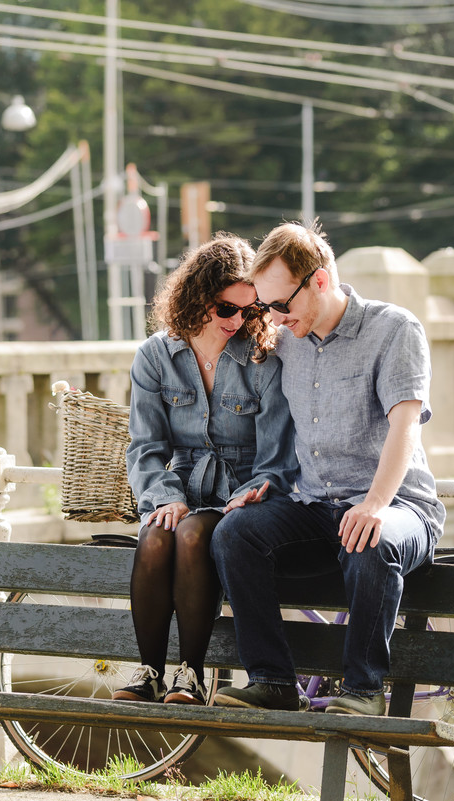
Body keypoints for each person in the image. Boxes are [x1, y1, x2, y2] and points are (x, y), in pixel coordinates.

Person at [210, 220, 446, 715]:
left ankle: (363, 692)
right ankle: (272, 681)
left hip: (399, 509)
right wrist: (266, 482)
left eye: (280, 305)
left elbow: (406, 428)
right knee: (235, 533)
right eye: (265, 307)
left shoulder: (394, 330)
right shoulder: (288, 340)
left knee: (368, 537)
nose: (272, 319)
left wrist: (375, 505)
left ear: (318, 280)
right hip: (317, 508)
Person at [112, 232, 298, 706]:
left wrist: (256, 490)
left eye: (250, 310)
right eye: (226, 309)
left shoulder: (264, 359)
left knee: (194, 533)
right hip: (182, 487)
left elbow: (277, 456)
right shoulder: (156, 356)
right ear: (197, 298)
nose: (239, 321)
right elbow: (146, 448)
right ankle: (149, 671)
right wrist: (164, 497)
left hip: (240, 495)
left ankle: (191, 675)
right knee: (155, 534)